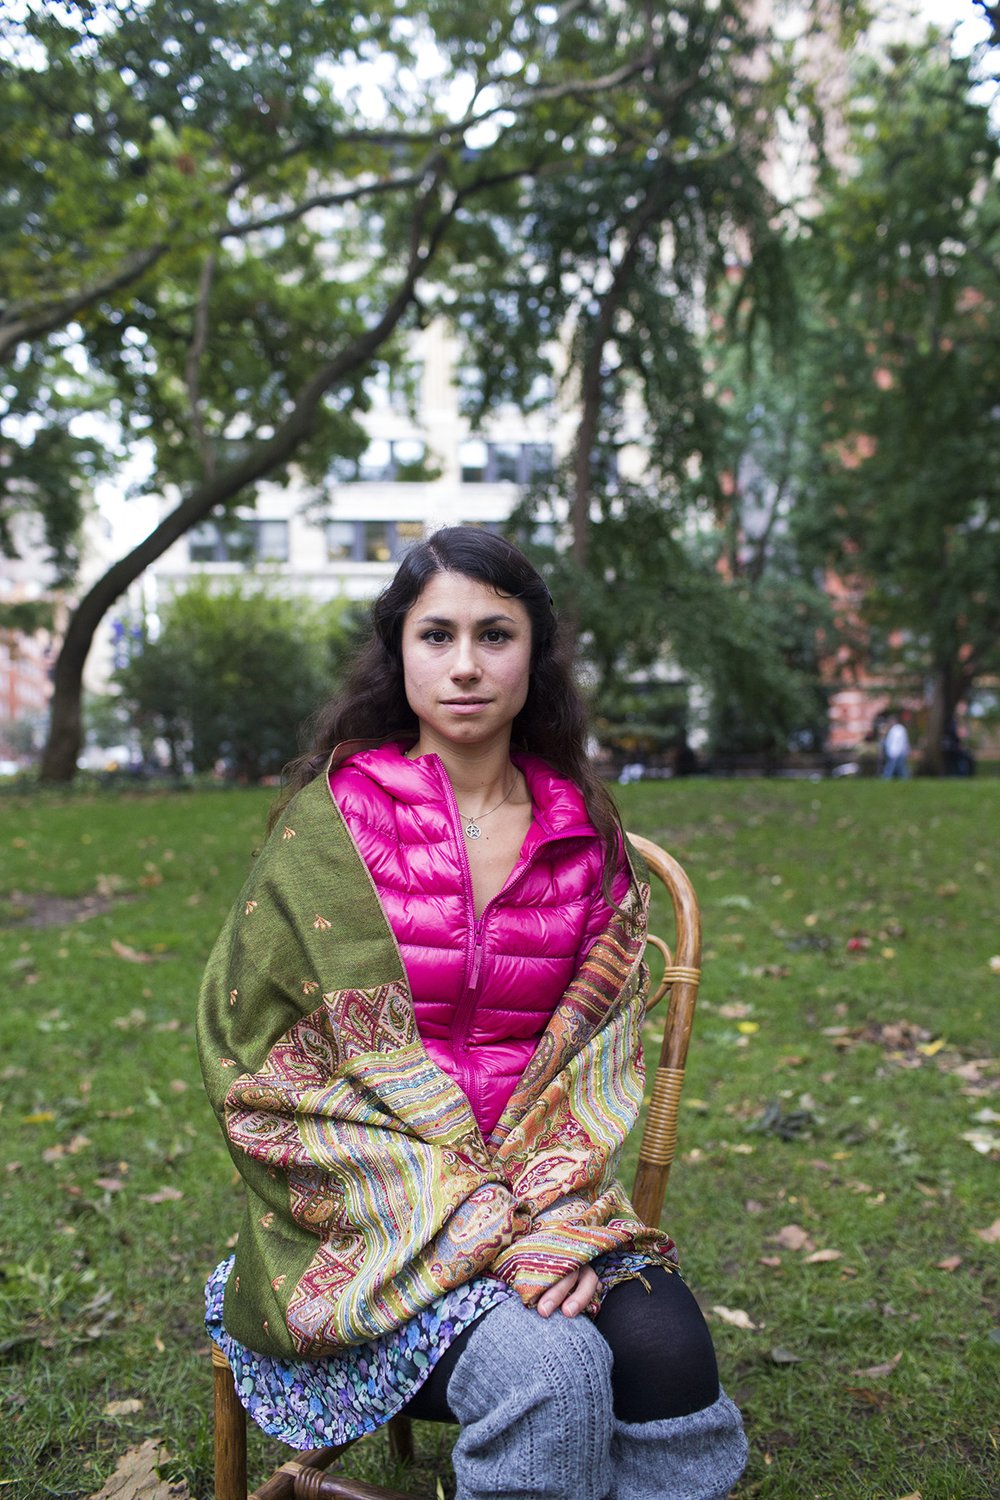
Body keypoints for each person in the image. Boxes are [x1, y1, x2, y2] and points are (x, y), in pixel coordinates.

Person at [197, 527, 747, 1500]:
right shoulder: (336, 828)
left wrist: (547, 1225)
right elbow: (262, 1069)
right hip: (367, 1216)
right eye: (435, 635)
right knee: (552, 1370)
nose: (463, 665)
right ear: (397, 652)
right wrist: (478, 1225)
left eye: (494, 635)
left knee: (667, 1352)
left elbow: (590, 1072)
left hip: (543, 1192)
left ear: (533, 656)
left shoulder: (581, 839)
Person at [881, 713, 911, 779]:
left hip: (896, 753)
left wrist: (895, 752)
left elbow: (898, 743)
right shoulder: (894, 729)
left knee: (893, 767)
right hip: (894, 753)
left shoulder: (898, 729)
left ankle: (887, 778)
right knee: (900, 768)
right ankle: (904, 778)